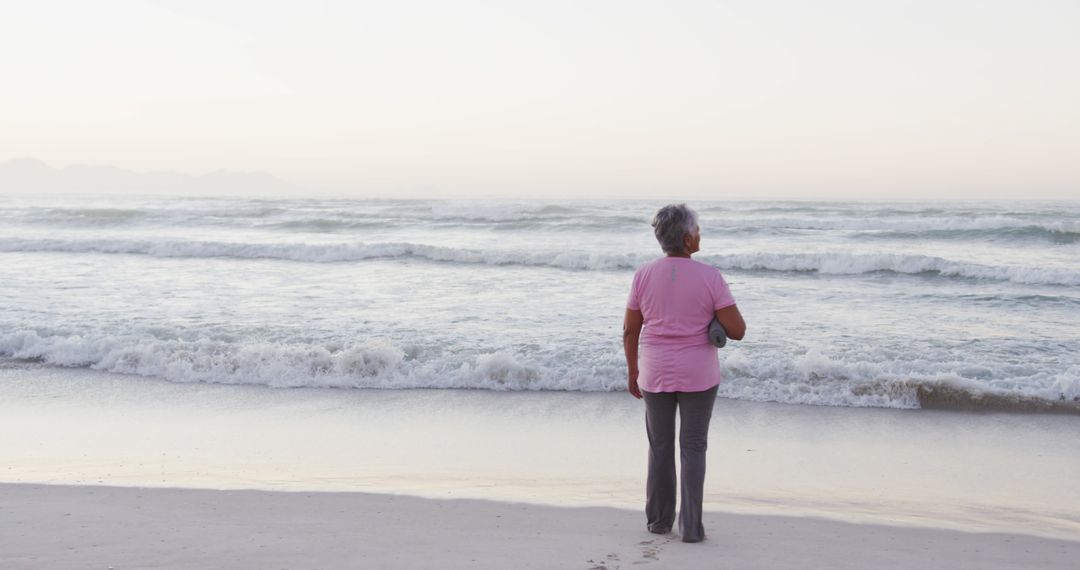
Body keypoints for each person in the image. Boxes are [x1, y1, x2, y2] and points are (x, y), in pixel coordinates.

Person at [623, 203, 746, 543]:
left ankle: (659, 522)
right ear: (688, 238)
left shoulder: (643, 275)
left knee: (659, 446)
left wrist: (633, 370)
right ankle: (691, 527)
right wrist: (712, 320)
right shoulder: (710, 277)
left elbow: (631, 330)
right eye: (698, 230)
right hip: (698, 374)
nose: (700, 234)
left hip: (655, 371)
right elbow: (738, 330)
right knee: (693, 448)